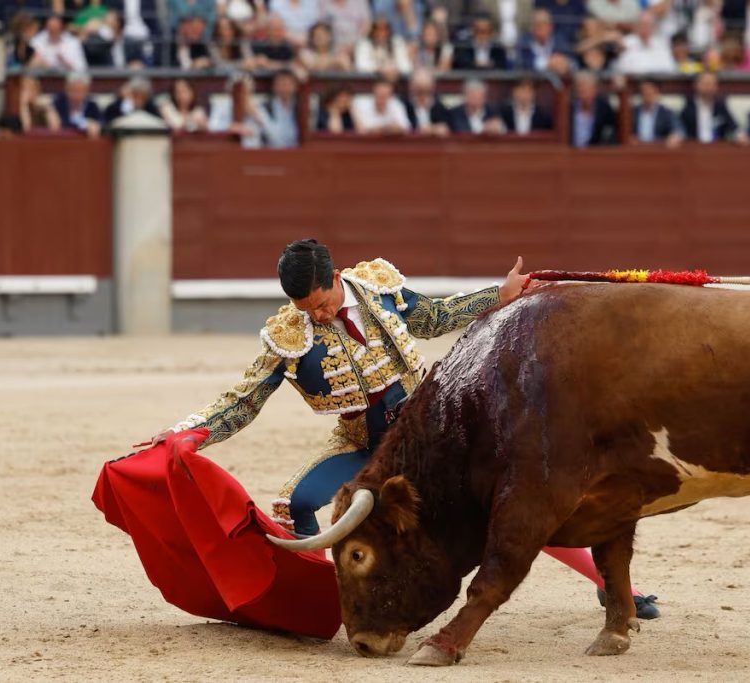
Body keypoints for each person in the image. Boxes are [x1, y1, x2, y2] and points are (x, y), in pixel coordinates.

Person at [151, 239, 661, 620]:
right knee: (294, 502)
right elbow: (244, 398)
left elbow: (434, 317)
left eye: (322, 304)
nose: (320, 317)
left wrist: (498, 294)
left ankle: (615, 587)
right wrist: (189, 433)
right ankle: (323, 603)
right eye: (308, 312)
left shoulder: (377, 287)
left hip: (428, 438)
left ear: (334, 277)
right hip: (363, 444)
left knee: (509, 501)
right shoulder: (287, 333)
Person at [679, 71, 741, 143]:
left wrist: (739, 135)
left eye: (712, 84)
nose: (709, 87)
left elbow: (734, 127)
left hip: (717, 146)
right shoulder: (688, 109)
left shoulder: (720, 108)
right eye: (706, 84)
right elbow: (680, 130)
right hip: (694, 146)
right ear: (696, 85)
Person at [516, 9, 573, 74]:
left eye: (543, 24)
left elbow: (573, 61)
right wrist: (547, 63)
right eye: (536, 24)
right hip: (532, 78)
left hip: (557, 77)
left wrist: (565, 63)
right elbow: (521, 63)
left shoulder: (559, 39)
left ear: (551, 26)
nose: (539, 28)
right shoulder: (524, 40)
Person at [570, 70, 616, 146]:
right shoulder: (568, 109)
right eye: (581, 88)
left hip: (596, 151)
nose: (585, 93)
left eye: (588, 89)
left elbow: (609, 135)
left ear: (595, 90)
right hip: (571, 150)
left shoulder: (604, 110)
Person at [631, 79, 682, 147]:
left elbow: (677, 129)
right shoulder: (633, 112)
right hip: (637, 148)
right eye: (643, 92)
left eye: (649, 92)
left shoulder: (665, 113)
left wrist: (674, 136)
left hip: (658, 148)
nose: (646, 94)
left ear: (656, 92)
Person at [259, 68, 300, 148]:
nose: (284, 88)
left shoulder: (300, 107)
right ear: (273, 87)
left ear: (295, 87)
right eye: (280, 84)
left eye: (287, 84)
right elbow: (274, 137)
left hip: (296, 150)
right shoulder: (266, 107)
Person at [401, 67, 450, 135]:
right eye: (419, 91)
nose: (422, 97)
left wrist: (433, 129)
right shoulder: (403, 106)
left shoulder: (439, 107)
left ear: (432, 88)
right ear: (411, 87)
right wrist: (423, 130)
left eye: (426, 91)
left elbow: (444, 128)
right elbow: (403, 129)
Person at [52, 72, 102, 138]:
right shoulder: (58, 104)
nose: (76, 95)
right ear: (66, 89)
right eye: (73, 90)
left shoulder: (92, 106)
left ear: (87, 91)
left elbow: (101, 123)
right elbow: (61, 125)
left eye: (80, 91)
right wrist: (84, 124)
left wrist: (96, 125)